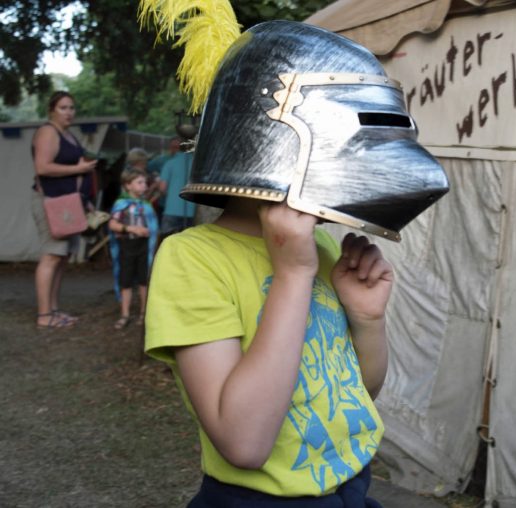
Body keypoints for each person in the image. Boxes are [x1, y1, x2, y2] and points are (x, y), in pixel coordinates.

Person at [141, 15, 447, 506]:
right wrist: (292, 274)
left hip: (353, 489)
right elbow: (244, 443)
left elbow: (355, 395)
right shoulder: (192, 259)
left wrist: (368, 320)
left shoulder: (322, 247)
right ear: (275, 138)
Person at [31, 90, 98, 329]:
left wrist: (85, 201)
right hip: (51, 202)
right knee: (51, 255)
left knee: (61, 257)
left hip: (69, 203)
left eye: (71, 107)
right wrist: (79, 169)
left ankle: (54, 310)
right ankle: (44, 315)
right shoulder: (47, 132)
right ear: (52, 110)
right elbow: (42, 167)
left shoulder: (67, 134)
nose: (69, 112)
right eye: (63, 107)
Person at [108, 167, 159, 329]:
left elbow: (153, 225)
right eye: (140, 182)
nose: (144, 185)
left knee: (144, 280)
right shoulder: (121, 204)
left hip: (144, 247)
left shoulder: (146, 205)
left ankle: (144, 313)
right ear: (128, 185)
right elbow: (112, 224)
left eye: (145, 182)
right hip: (127, 246)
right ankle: (125, 314)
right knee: (126, 281)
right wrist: (132, 229)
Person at [158, 148, 196, 236]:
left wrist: (171, 195)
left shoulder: (170, 163)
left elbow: (162, 188)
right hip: (191, 211)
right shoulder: (197, 164)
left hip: (171, 210)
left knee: (166, 241)